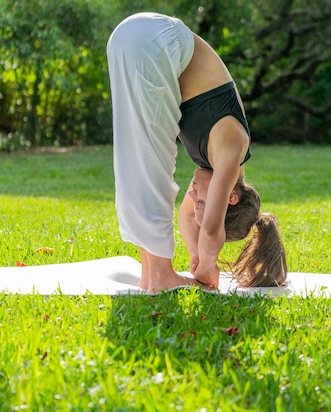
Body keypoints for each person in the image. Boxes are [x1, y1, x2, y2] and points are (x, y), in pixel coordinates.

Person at [106, 12, 287, 293]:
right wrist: (206, 268)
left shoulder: (215, 165)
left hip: (129, 37)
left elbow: (188, 217)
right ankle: (160, 276)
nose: (192, 197)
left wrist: (195, 253)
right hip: (158, 41)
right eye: (203, 202)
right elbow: (212, 230)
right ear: (230, 197)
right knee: (153, 164)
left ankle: (150, 272)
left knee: (134, 159)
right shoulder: (232, 151)